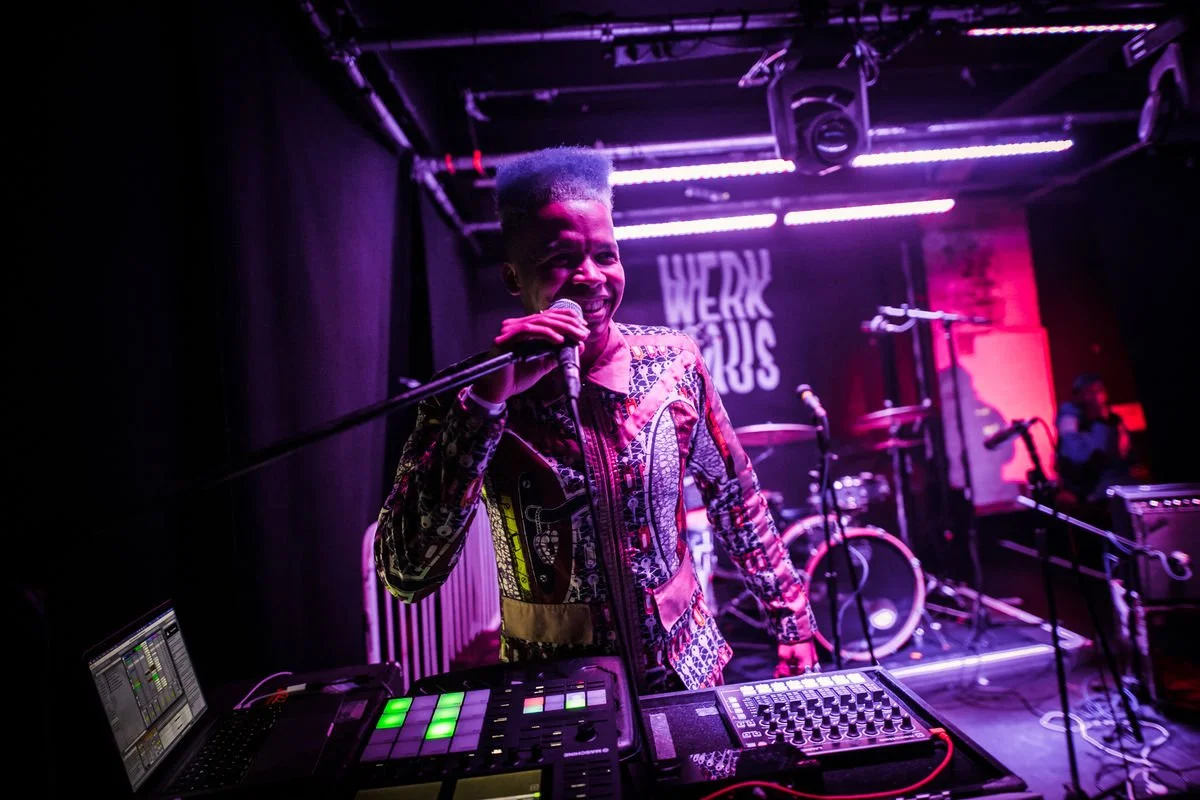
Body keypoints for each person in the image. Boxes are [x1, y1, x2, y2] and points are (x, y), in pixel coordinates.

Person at [375, 147, 817, 692]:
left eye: (606, 255)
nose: (591, 277)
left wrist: (791, 619)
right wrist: (487, 405)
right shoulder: (465, 396)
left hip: (687, 673)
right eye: (560, 258)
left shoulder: (674, 361)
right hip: (553, 690)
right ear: (513, 278)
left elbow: (735, 497)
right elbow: (404, 574)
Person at [1055, 373, 1143, 507]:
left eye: (1099, 390)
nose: (1096, 396)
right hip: (1090, 489)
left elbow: (1125, 452)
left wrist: (1133, 465)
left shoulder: (1114, 420)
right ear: (1079, 396)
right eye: (1090, 391)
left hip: (1120, 484)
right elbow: (1079, 455)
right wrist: (1101, 423)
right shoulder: (1071, 419)